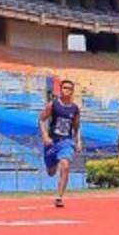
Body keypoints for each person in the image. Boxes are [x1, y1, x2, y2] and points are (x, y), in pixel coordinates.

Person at [38, 79, 82, 209]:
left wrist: (78, 141)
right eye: (64, 88)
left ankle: (59, 197)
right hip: (52, 142)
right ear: (60, 90)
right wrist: (45, 136)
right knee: (51, 172)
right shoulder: (53, 105)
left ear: (72, 91)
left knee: (65, 165)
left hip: (66, 142)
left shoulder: (75, 109)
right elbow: (41, 120)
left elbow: (77, 127)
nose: (66, 90)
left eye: (69, 88)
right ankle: (55, 160)